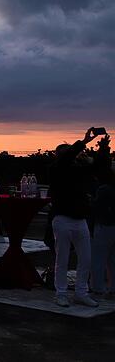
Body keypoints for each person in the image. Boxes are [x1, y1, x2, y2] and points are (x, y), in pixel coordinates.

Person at [49, 128, 107, 307]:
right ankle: (61, 293)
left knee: (86, 258)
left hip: (79, 219)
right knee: (63, 258)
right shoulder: (57, 169)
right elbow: (66, 159)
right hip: (62, 219)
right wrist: (84, 141)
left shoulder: (78, 170)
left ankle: (81, 292)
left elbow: (97, 167)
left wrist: (103, 148)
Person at [92, 135, 114, 298]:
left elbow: (96, 208)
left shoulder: (104, 189)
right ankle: (112, 287)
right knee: (112, 259)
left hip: (105, 224)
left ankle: (98, 287)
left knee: (99, 257)